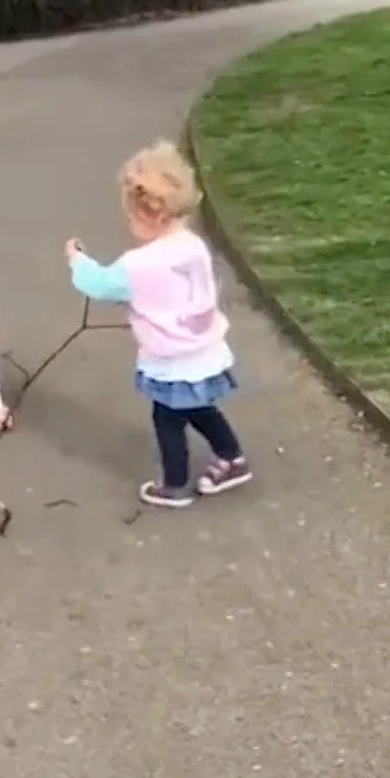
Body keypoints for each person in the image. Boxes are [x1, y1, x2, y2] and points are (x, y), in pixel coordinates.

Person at [65, 140, 252, 507]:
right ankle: (232, 457)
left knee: (166, 417)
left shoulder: (139, 264)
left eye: (132, 217)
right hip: (203, 349)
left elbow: (100, 284)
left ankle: (175, 484)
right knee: (198, 407)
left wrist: (77, 260)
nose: (129, 224)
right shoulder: (192, 245)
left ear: (156, 216)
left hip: (172, 359)